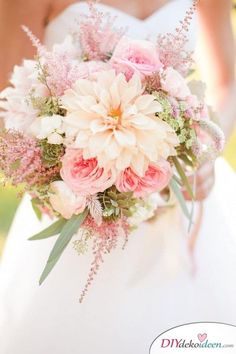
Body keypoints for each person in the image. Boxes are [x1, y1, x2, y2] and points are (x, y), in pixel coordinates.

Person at [0, 1, 235, 353]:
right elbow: (6, 105)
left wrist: (206, 151)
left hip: (187, 209)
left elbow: (227, 80)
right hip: (79, 219)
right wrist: (69, 174)